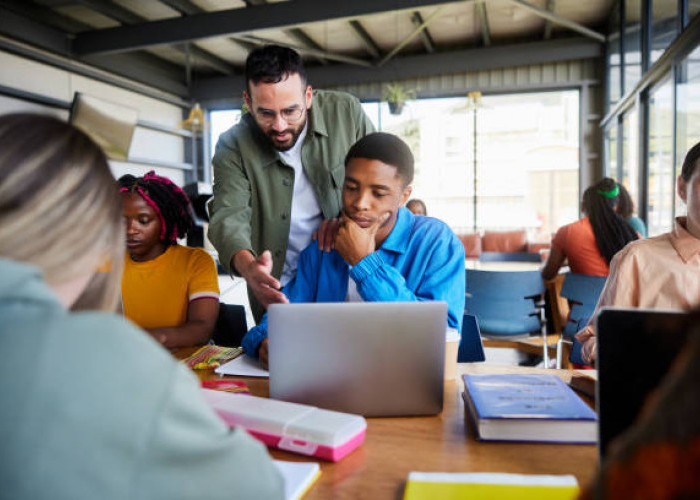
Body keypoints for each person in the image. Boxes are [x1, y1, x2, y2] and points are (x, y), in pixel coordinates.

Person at [0, 113, 283, 499]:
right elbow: (258, 486)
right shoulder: (115, 361)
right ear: (92, 230)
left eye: (142, 220)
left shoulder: (189, 263)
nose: (129, 230)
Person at [241, 133, 466, 368]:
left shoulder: (437, 243)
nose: (360, 203)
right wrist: (264, 341)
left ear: (404, 197)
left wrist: (364, 263)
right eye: (351, 188)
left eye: (378, 194)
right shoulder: (323, 246)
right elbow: (280, 316)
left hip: (400, 376)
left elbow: (442, 338)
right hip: (328, 381)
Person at [208, 45, 375, 323]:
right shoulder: (233, 145)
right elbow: (228, 215)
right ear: (248, 102)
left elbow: (382, 180)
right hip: (282, 289)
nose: (280, 126)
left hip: (350, 274)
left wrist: (348, 220)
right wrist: (249, 269)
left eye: (290, 111)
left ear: (308, 97)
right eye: (266, 114)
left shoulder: (345, 113)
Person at [576, 141, 700, 364]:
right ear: (682, 188)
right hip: (659, 393)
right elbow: (597, 341)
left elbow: (548, 273)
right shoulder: (637, 258)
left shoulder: (570, 232)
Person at [119, 172, 220, 349]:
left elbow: (202, 329)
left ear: (165, 219)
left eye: (143, 221)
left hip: (181, 365)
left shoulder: (196, 261)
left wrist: (139, 340)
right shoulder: (106, 262)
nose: (130, 230)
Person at [541, 177, 639, 280]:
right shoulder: (632, 234)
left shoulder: (568, 232)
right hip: (622, 295)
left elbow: (548, 274)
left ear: (583, 206)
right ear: (616, 206)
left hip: (583, 295)